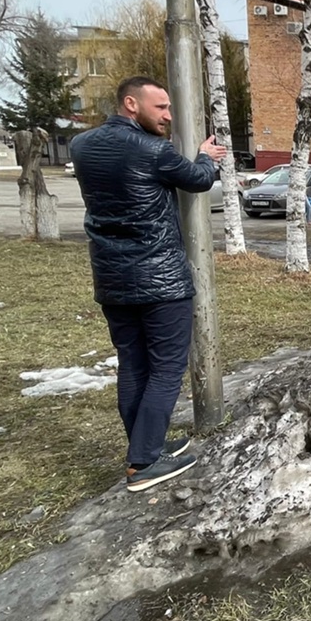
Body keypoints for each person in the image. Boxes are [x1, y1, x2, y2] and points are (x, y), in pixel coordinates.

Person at [71, 76, 226, 493]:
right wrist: (206, 156)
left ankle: (146, 443)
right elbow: (197, 179)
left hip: (112, 278)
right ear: (130, 103)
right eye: (160, 107)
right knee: (166, 369)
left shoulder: (80, 147)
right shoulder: (153, 151)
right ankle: (142, 463)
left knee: (133, 364)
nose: (168, 116)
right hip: (160, 281)